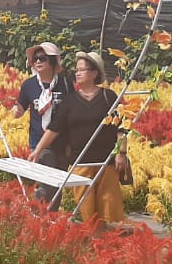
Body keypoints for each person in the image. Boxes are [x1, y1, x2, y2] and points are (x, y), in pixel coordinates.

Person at [27, 50, 127, 226]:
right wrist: (38, 150)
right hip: (81, 162)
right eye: (77, 69)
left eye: (82, 70)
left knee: (106, 206)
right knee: (86, 208)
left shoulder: (108, 96)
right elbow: (54, 128)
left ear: (94, 73)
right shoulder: (71, 100)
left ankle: (103, 242)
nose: (77, 73)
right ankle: (94, 240)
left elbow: (121, 127)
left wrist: (121, 153)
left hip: (106, 162)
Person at [13, 42, 74, 210]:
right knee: (49, 180)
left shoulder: (65, 84)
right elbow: (20, 107)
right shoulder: (29, 85)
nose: (38, 62)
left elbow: (72, 112)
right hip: (38, 142)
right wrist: (16, 111)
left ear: (53, 61)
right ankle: (34, 208)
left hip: (62, 143)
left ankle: (50, 219)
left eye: (42, 58)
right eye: (35, 59)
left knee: (58, 183)